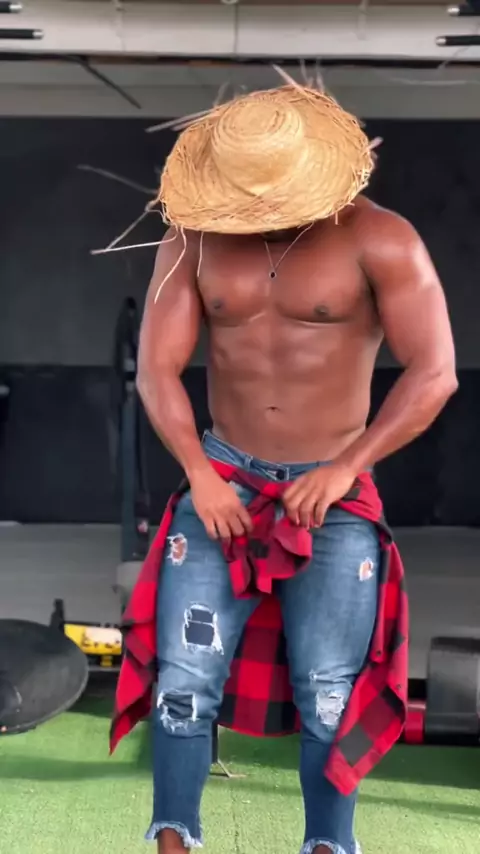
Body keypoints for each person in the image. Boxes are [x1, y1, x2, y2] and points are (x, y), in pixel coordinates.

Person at [111, 84, 457, 854]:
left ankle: (328, 845)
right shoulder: (194, 239)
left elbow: (435, 372)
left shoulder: (382, 239)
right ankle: (172, 840)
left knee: (330, 692)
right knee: (182, 681)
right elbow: (157, 370)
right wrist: (200, 472)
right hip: (223, 480)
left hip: (333, 491)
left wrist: (347, 467)